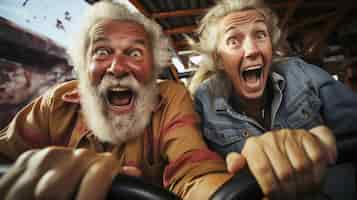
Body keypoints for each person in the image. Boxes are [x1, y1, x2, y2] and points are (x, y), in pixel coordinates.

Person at [0, 1, 248, 199]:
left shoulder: (171, 97)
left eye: (134, 53)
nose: (117, 68)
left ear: (153, 68)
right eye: (102, 52)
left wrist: (222, 195)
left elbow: (193, 169)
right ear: (84, 65)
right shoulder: (54, 104)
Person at [190, 0, 357, 198]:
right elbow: (197, 174)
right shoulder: (203, 101)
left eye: (260, 35)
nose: (252, 50)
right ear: (219, 59)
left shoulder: (301, 72)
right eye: (234, 41)